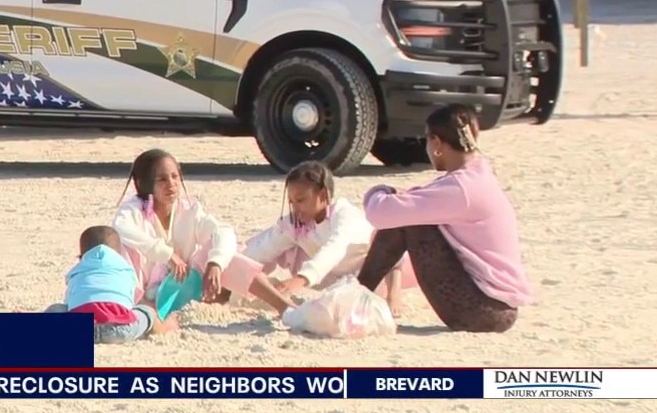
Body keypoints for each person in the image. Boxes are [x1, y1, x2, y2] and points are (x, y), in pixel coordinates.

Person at [356, 105, 533, 333]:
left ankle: (357, 296)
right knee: (411, 213)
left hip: (483, 311)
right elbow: (430, 196)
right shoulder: (478, 175)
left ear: (437, 144)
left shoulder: (461, 187)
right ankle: (359, 294)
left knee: (409, 222)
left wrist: (380, 190)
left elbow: (378, 214)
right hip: (499, 308)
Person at [112, 148, 296, 317]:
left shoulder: (189, 209)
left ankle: (285, 307)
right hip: (142, 294)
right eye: (161, 179)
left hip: (184, 287)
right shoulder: (133, 210)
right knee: (125, 247)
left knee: (223, 253)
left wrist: (216, 263)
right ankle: (139, 310)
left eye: (175, 177)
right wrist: (167, 254)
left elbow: (222, 231)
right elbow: (122, 228)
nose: (171, 184)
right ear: (142, 183)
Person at [241, 160, 405, 313]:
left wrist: (301, 279)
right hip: (335, 277)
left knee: (389, 244)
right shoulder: (295, 223)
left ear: (323, 195)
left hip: (374, 275)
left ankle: (394, 293)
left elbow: (335, 247)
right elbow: (261, 249)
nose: (295, 208)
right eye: (291, 202)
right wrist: (231, 266)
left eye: (301, 200)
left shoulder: (346, 215)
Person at [43, 226, 177, 343]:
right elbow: (129, 303)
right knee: (147, 312)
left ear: (81, 257)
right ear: (119, 254)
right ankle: (164, 326)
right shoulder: (125, 269)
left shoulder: (77, 271)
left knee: (56, 308)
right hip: (120, 329)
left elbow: (70, 302)